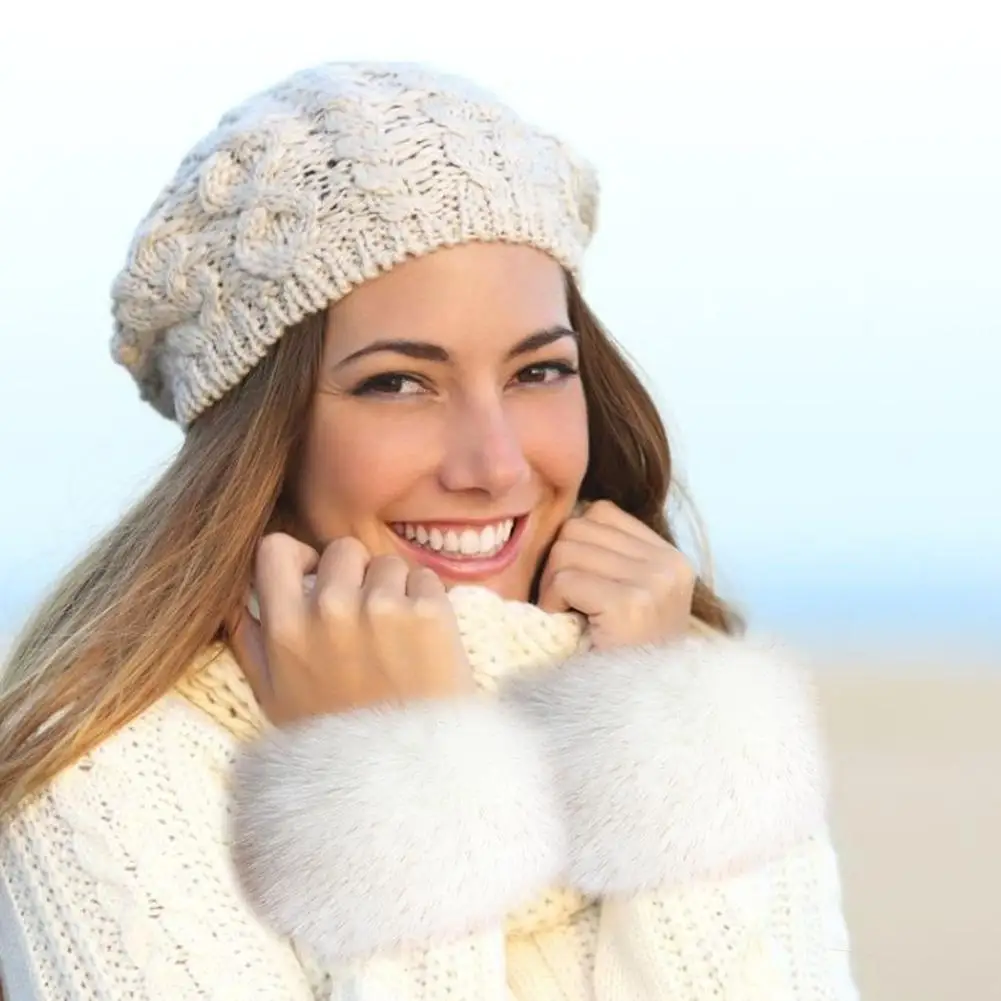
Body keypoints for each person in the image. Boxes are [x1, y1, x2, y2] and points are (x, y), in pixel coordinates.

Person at [0, 62, 858, 1000]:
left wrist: (663, 740)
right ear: (264, 436)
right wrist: (389, 769)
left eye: (537, 371)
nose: (492, 464)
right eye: (397, 383)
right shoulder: (108, 775)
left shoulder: (687, 705)